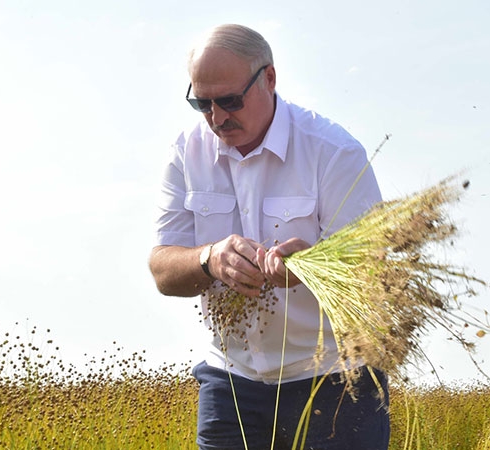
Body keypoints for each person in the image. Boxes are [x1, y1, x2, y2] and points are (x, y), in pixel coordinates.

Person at [149, 24, 390, 450]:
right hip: (231, 380)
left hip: (336, 382)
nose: (217, 117)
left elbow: (372, 274)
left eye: (230, 101)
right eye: (201, 103)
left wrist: (312, 267)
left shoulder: (333, 153)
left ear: (270, 78)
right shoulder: (186, 152)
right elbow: (163, 270)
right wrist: (209, 259)